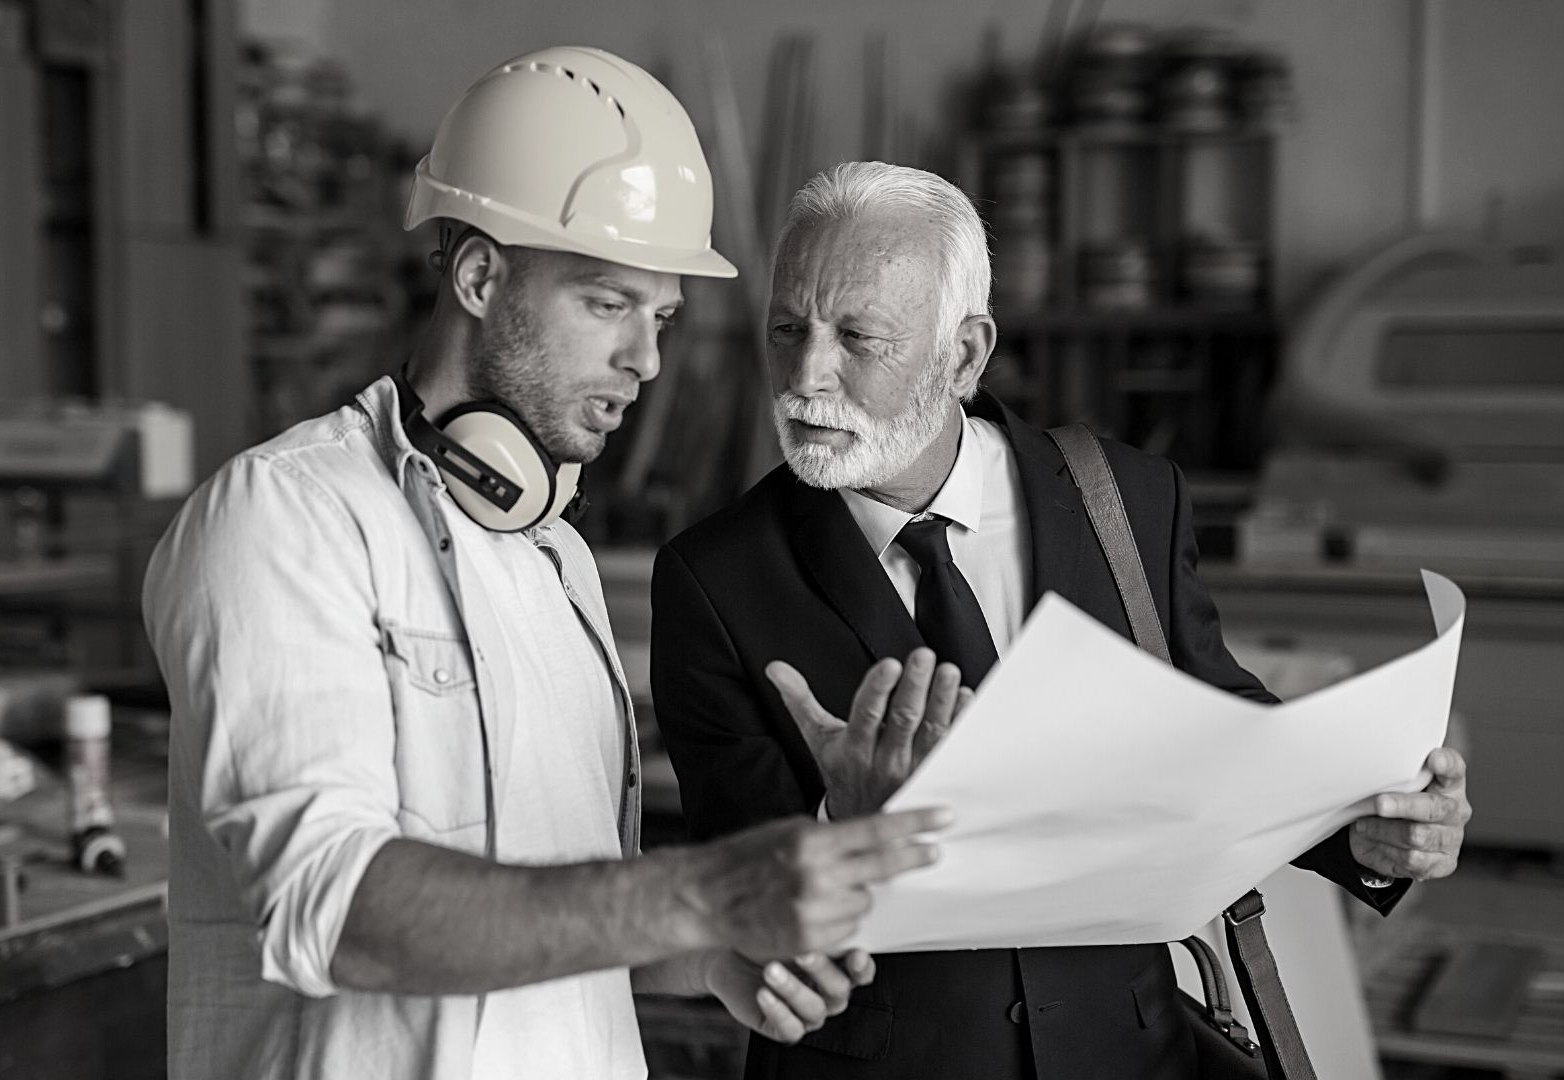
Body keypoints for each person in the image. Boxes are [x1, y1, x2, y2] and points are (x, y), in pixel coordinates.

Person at [142, 53, 952, 1080]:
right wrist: (704, 892)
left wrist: (708, 954)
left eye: (660, 318)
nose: (647, 362)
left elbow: (562, 907)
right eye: (609, 303)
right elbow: (332, 911)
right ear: (480, 277)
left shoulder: (552, 551)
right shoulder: (286, 519)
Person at [649, 160, 1473, 1079]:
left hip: (1123, 1051)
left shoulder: (1122, 500)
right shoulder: (715, 576)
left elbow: (1222, 735)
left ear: (964, 355)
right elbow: (728, 888)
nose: (807, 375)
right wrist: (840, 820)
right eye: (787, 330)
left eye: (858, 338)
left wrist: (1363, 828)